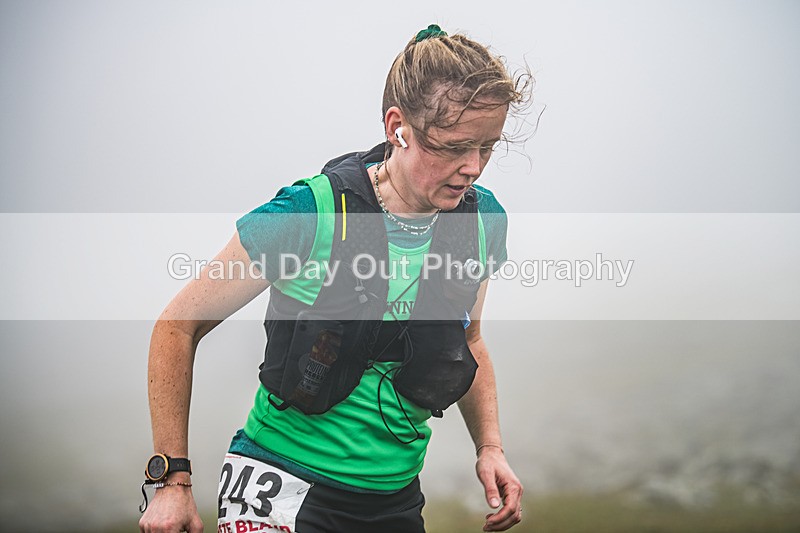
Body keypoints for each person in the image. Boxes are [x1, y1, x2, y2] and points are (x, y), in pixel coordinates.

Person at [139, 24, 530, 533]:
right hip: (278, 485)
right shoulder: (309, 213)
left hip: (394, 501)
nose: (473, 167)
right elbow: (177, 326)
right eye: (454, 147)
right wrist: (171, 481)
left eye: (487, 147)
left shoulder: (481, 222)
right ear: (398, 127)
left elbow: (470, 340)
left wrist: (490, 447)